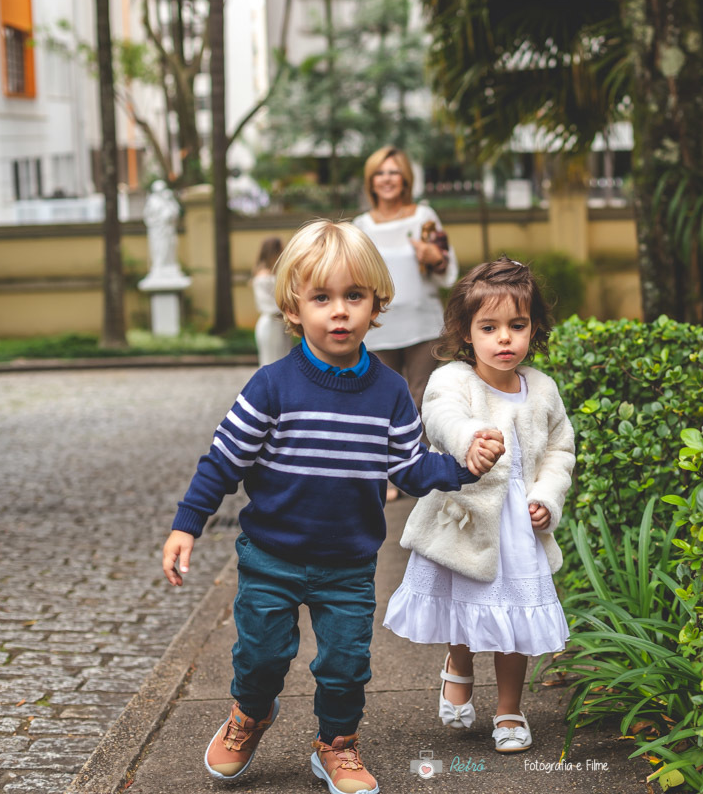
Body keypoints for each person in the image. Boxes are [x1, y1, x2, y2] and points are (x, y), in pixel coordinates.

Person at [160, 219, 504, 794]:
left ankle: (336, 745)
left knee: (346, 664)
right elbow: (224, 460)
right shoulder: (271, 386)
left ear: (377, 305)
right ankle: (250, 714)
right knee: (261, 657)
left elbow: (409, 467)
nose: (339, 311)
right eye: (321, 298)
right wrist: (185, 524)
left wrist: (462, 466)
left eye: (354, 297)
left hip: (347, 563)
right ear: (294, 309)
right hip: (272, 556)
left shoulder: (390, 391)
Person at [383, 257, 576, 754]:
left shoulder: (544, 390)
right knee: (464, 606)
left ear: (534, 328)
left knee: (514, 615)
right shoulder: (454, 379)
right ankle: (459, 662)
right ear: (467, 333)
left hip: (518, 522)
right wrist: (471, 438)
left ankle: (510, 710)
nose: (505, 339)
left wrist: (546, 498)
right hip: (464, 516)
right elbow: (441, 415)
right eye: (489, 327)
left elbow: (559, 451)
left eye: (517, 325)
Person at [352, 147, 457, 501]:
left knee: (421, 398)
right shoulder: (360, 228)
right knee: (380, 400)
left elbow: (447, 271)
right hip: (378, 328)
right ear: (371, 181)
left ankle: (417, 470)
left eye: (394, 172)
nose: (387, 179)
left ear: (406, 179)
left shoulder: (424, 218)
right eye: (380, 173)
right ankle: (386, 475)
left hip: (423, 325)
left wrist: (435, 257)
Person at [251, 236, 290, 366]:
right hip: (271, 324)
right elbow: (268, 305)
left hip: (280, 325)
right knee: (272, 363)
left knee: (283, 362)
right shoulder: (263, 277)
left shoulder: (275, 274)